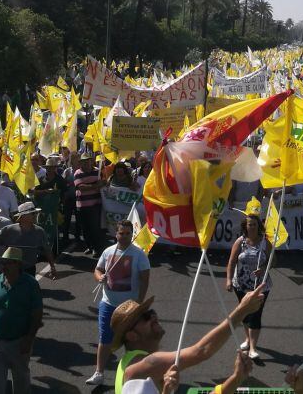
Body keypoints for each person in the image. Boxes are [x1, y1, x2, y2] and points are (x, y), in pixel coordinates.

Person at [109, 283, 266, 392]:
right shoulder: (149, 364)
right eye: (145, 317)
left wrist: (236, 378)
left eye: (150, 312)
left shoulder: (127, 363)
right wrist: (242, 310)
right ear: (131, 335)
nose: (153, 316)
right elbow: (201, 351)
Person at [86, 219, 151, 387]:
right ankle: (99, 373)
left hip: (129, 307)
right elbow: (98, 269)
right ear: (116, 234)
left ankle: (134, 375)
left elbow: (145, 279)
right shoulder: (108, 252)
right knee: (105, 338)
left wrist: (139, 303)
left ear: (132, 234)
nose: (124, 236)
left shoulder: (139, 254)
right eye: (121, 233)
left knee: (131, 340)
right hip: (108, 304)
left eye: (128, 233)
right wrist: (100, 278)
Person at [0, 247, 43, 394]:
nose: (3, 266)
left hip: (19, 342)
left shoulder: (30, 284)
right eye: (2, 262)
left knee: (21, 382)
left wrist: (29, 339)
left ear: (18, 264)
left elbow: (37, 314)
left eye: (8, 263)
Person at [225, 212, 272, 361]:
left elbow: (273, 261)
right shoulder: (240, 242)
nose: (251, 227)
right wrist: (228, 280)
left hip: (260, 286)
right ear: (245, 226)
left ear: (259, 226)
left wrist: (263, 268)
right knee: (244, 313)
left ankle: (253, 348)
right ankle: (247, 339)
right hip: (241, 284)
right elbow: (231, 262)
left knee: (256, 315)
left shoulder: (265, 242)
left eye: (254, 224)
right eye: (249, 224)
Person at [0, 201, 57, 279]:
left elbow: (47, 250)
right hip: (11, 269)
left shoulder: (40, 231)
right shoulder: (9, 230)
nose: (36, 215)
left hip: (30, 270)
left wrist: (52, 266)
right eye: (33, 213)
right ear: (23, 216)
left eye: (36, 213)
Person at [75, 154, 105, 255]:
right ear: (81, 163)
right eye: (84, 161)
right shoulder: (77, 173)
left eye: (88, 161)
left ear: (91, 161)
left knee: (95, 228)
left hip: (95, 204)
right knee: (85, 228)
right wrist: (96, 186)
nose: (86, 163)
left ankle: (96, 248)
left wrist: (95, 186)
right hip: (82, 205)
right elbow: (81, 187)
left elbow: (104, 183)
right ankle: (89, 246)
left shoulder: (98, 171)